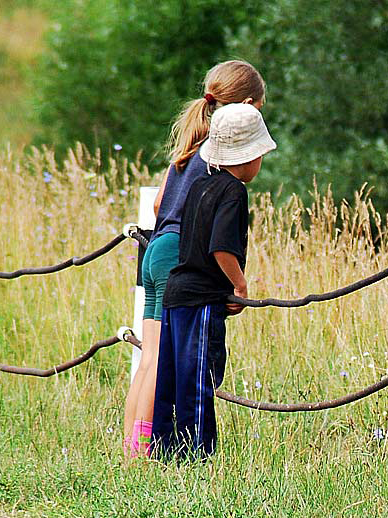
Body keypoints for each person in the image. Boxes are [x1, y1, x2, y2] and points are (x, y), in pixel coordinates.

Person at [122, 60, 266, 458]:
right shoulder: (218, 157)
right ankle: (148, 450)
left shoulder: (188, 148)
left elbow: (157, 203)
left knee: (150, 357)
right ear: (250, 107)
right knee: (166, 360)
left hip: (156, 248)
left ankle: (133, 450)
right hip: (180, 259)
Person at [151, 102, 276, 458]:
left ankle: (163, 449)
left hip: (176, 292)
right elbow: (221, 248)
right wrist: (238, 285)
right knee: (198, 379)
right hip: (202, 299)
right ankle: (195, 453)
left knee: (171, 377)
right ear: (249, 157)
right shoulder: (233, 192)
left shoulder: (199, 186)